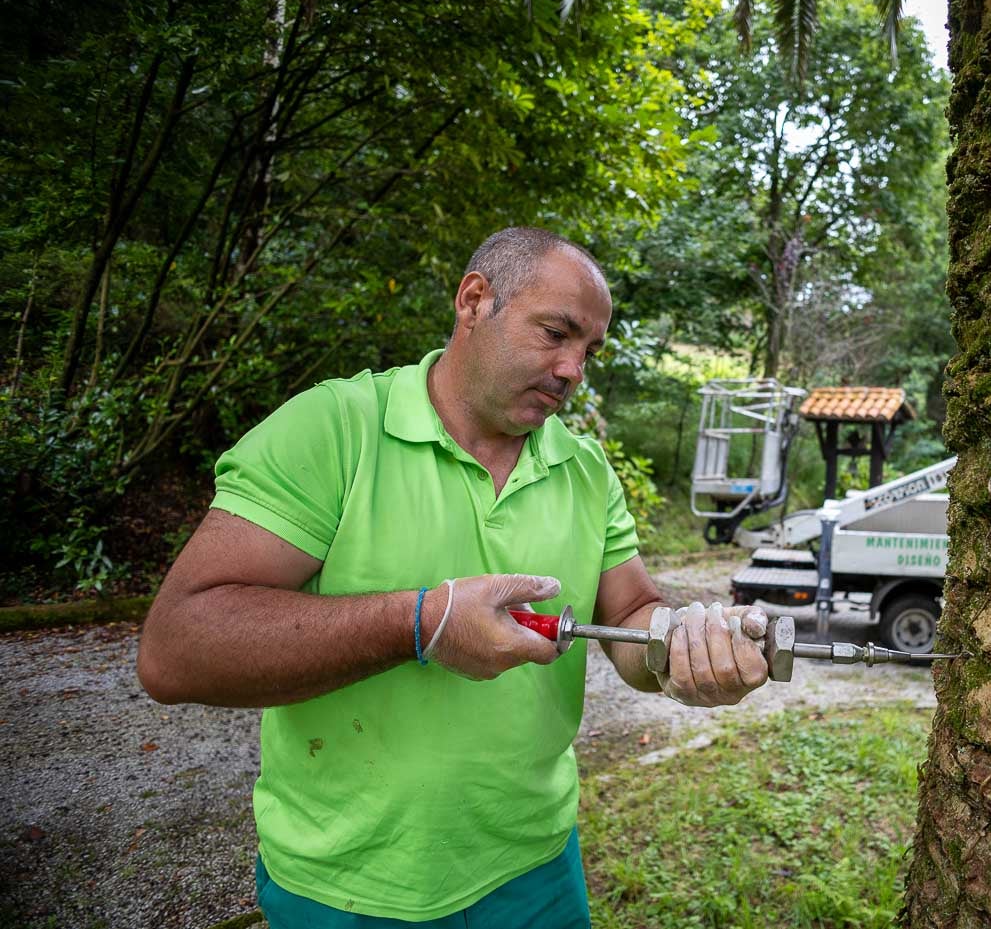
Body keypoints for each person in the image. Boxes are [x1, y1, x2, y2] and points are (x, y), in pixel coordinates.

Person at [136, 227, 770, 928]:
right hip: (347, 887)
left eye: (588, 350)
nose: (572, 369)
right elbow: (174, 648)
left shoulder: (585, 469)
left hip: (538, 867)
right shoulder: (336, 428)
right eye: (555, 333)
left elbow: (631, 611)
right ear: (475, 300)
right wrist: (420, 622)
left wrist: (680, 643)